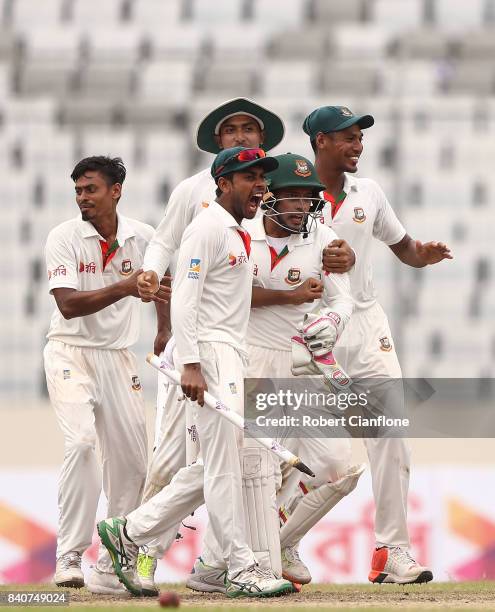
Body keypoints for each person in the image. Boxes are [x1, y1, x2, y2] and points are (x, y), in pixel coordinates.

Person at [98, 147, 294, 599]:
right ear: (223, 183)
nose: (260, 185)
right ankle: (241, 567)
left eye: (263, 178)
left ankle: (130, 531)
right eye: (249, 177)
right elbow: (184, 298)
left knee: (212, 466)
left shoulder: (235, 230)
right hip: (208, 353)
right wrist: (190, 363)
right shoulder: (206, 227)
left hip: (228, 353)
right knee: (222, 468)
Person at [185, 153, 365, 592]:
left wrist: (333, 322)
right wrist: (291, 296)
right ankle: (216, 561)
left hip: (302, 359)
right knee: (251, 469)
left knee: (344, 466)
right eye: (293, 197)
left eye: (309, 198)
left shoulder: (322, 235)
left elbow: (341, 299)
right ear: (269, 196)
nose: (303, 206)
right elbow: (223, 295)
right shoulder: (237, 230)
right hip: (249, 358)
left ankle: (274, 545)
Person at [303, 106, 452, 584]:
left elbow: (402, 245)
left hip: (366, 324)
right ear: (321, 141)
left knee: (390, 436)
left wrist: (420, 256)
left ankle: (392, 550)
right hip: (310, 330)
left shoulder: (369, 192)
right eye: (347, 138)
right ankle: (269, 545)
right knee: (314, 456)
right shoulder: (292, 194)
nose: (358, 146)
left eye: (360, 138)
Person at [44, 156, 170, 593]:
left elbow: (163, 281)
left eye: (91, 189)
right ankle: (70, 555)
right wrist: (124, 286)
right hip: (69, 352)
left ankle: (114, 563)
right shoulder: (63, 237)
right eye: (78, 191)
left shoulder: (144, 236)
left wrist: (165, 328)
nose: (83, 198)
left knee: (133, 463)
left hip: (118, 358)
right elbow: (68, 304)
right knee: (80, 444)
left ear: (116, 190)